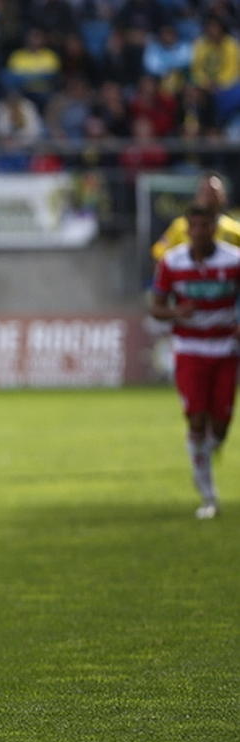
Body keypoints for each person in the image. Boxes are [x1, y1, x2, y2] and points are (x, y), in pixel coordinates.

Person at [149, 203, 240, 519]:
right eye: (195, 227)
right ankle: (207, 493)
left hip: (225, 349)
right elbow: (156, 307)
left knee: (221, 425)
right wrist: (176, 312)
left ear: (215, 227)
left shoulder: (234, 260)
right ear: (187, 229)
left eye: (206, 226)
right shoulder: (171, 263)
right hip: (189, 349)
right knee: (196, 419)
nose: (200, 233)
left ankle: (205, 454)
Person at [150, 173, 240, 261]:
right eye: (205, 192)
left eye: (214, 193)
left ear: (223, 196)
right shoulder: (180, 226)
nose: (209, 197)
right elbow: (159, 251)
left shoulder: (233, 229)